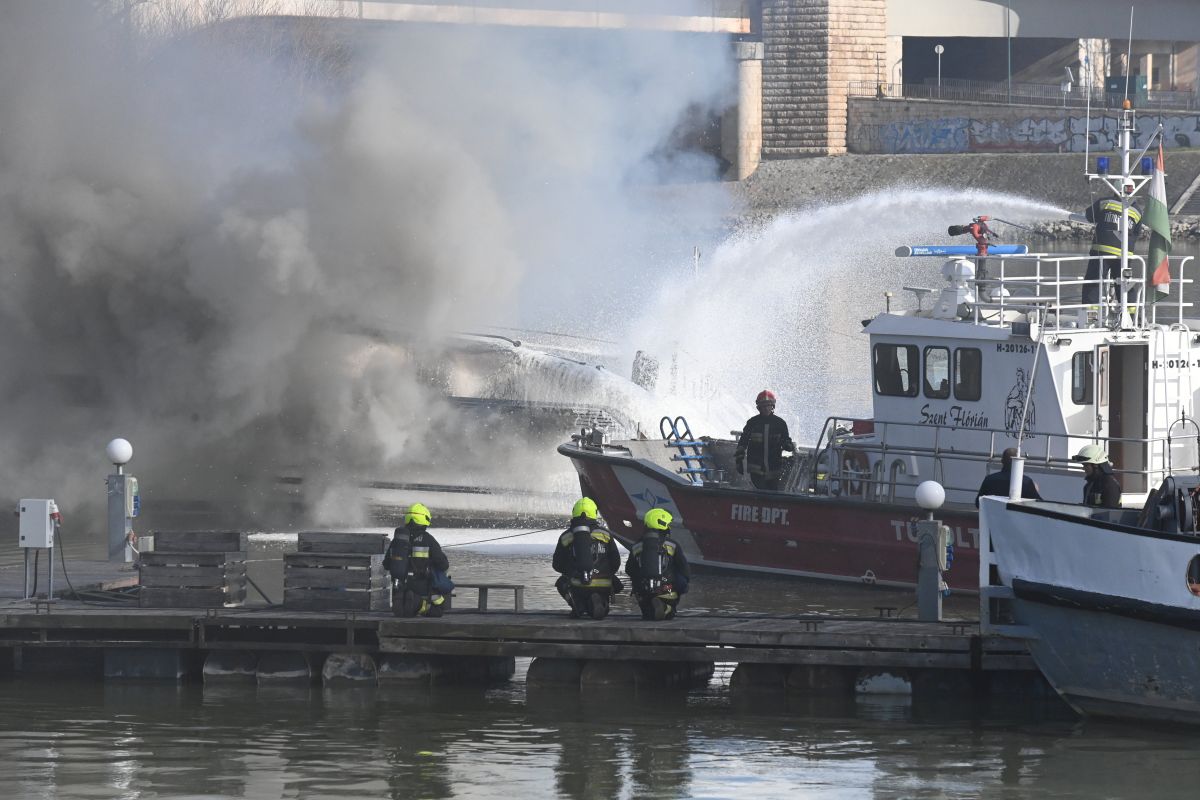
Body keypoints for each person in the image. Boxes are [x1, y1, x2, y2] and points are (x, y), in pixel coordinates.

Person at [552, 497, 622, 619]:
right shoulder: (605, 534)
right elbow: (616, 561)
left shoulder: (566, 537)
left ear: (574, 512)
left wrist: (572, 572)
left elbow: (557, 564)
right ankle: (601, 602)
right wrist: (606, 573)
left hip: (577, 585)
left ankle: (578, 605)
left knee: (561, 582)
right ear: (594, 513)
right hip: (603, 584)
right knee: (611, 588)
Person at [384, 502, 452, 617]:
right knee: (438, 611)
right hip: (421, 587)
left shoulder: (397, 540)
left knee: (403, 609)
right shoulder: (428, 539)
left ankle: (406, 602)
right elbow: (443, 564)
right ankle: (421, 605)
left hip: (399, 587)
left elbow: (386, 564)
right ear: (424, 519)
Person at [625, 508, 690, 621]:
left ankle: (650, 607)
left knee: (647, 615)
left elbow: (629, 569)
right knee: (682, 579)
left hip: (643, 592)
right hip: (667, 590)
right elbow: (684, 569)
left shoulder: (636, 546)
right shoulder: (672, 545)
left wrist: (640, 584)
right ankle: (667, 608)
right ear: (663, 524)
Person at [1082, 197, 1143, 306]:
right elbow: (1136, 232)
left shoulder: (1105, 202)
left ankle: (1090, 317)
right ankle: (1132, 317)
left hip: (1101, 253)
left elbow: (1089, 216)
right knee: (1125, 285)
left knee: (1093, 283)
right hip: (1124, 257)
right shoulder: (1137, 211)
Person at [735, 390, 796, 490]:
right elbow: (743, 442)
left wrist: (788, 445)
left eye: (769, 405)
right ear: (759, 407)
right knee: (762, 494)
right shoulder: (752, 423)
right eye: (763, 405)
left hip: (774, 470)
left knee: (772, 495)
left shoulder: (780, 423)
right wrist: (739, 460)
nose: (766, 408)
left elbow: (786, 440)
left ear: (773, 406)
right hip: (756, 469)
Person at [975, 447, 1043, 507]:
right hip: (1016, 519)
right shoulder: (1026, 482)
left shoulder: (989, 479)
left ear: (1002, 461)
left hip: (993, 519)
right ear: (1020, 463)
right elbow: (1039, 504)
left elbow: (978, 503)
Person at [1072, 444, 1123, 508]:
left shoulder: (1110, 486)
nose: (1084, 468)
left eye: (1086, 465)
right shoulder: (1089, 486)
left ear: (1096, 466)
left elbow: (1110, 513)